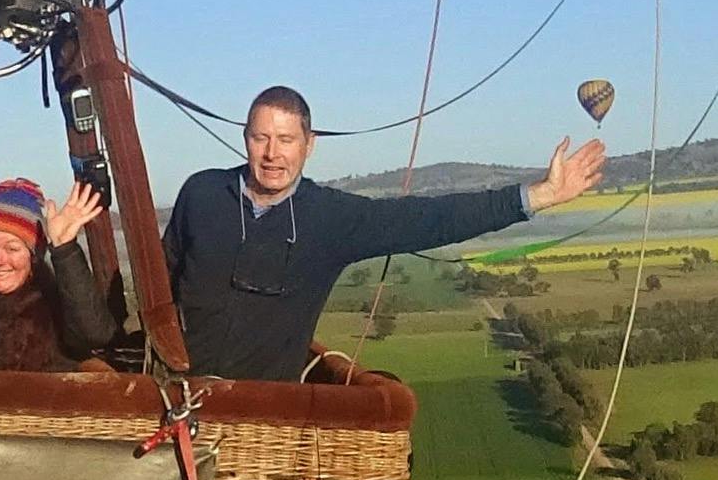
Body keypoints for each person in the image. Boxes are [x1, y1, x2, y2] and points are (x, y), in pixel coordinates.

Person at [162, 86, 607, 381]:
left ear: (309, 144)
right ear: (245, 139)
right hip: (179, 400)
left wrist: (536, 196)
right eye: (261, 138)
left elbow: (429, 219)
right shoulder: (202, 194)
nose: (273, 153)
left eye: (286, 139)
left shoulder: (329, 218)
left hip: (266, 415)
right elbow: (160, 281)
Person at [0, 179, 119, 372]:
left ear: (33, 256)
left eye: (12, 248)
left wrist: (65, 250)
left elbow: (95, 333)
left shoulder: (54, 309)